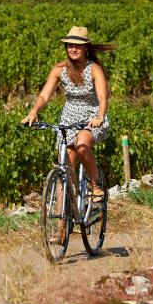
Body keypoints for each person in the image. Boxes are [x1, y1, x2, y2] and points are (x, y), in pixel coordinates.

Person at [22, 26, 110, 217]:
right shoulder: (59, 69)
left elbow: (103, 97)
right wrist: (34, 111)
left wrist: (100, 117)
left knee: (81, 145)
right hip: (68, 118)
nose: (73, 49)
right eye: (70, 45)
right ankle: (61, 228)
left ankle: (95, 187)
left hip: (91, 117)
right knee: (64, 171)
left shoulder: (94, 69)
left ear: (85, 48)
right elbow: (45, 95)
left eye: (77, 45)